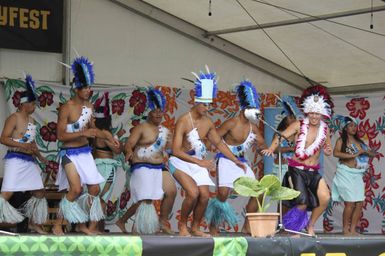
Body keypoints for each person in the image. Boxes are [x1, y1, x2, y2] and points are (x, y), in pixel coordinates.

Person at [168, 66, 246, 237]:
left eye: (209, 104)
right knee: (193, 193)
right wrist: (200, 162)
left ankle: (195, 227)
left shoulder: (208, 122)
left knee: (204, 196)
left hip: (196, 162)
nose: (207, 107)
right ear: (195, 102)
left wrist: (235, 160)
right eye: (204, 104)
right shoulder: (183, 121)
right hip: (180, 161)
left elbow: (219, 143)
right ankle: (182, 225)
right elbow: (175, 150)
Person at [53, 56, 118, 235]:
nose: (89, 91)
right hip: (69, 153)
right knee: (75, 189)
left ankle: (81, 222)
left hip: (85, 153)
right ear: (77, 88)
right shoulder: (67, 108)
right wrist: (83, 133)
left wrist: (109, 137)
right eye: (86, 87)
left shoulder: (89, 106)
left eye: (90, 87)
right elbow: (60, 136)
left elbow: (93, 130)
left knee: (94, 189)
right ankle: (57, 224)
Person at [262, 85, 333, 236]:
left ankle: (310, 225)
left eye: (317, 114)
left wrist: (328, 151)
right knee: (302, 202)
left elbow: (328, 149)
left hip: (314, 172)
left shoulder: (325, 130)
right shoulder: (298, 125)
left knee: (325, 198)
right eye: (312, 113)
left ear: (322, 114)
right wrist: (271, 149)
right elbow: (280, 137)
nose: (314, 116)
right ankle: (290, 229)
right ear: (308, 112)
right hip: (297, 170)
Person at [205, 80, 266, 236]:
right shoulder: (232, 123)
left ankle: (247, 226)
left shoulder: (253, 128)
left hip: (242, 162)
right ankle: (213, 227)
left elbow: (263, 146)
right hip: (225, 160)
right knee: (223, 194)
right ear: (244, 108)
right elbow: (214, 138)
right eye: (250, 108)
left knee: (258, 192)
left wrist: (271, 149)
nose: (253, 110)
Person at [116, 88, 172, 235]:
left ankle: (161, 222)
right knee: (145, 199)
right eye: (156, 111)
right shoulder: (141, 128)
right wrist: (128, 152)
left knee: (167, 192)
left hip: (158, 167)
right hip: (141, 165)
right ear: (149, 111)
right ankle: (138, 230)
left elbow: (171, 149)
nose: (159, 114)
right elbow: (129, 144)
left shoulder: (165, 131)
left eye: (161, 111)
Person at [0, 74, 49, 234]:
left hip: (29, 161)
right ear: (24, 103)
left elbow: (32, 144)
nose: (35, 106)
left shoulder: (32, 122)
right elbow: (3, 138)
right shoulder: (13, 118)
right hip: (15, 159)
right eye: (33, 103)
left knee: (39, 192)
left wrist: (41, 158)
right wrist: (22, 144)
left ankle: (33, 223)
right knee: (7, 193)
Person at [331, 115, 376, 235]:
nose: (353, 128)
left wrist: (367, 152)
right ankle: (345, 230)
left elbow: (372, 154)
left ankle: (353, 230)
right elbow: (335, 153)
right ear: (345, 128)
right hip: (345, 172)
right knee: (350, 202)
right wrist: (354, 154)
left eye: (355, 125)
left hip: (357, 174)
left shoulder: (360, 142)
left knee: (359, 203)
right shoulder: (341, 141)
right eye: (351, 125)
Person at [92, 92, 122, 232]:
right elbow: (117, 151)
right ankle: (94, 228)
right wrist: (117, 140)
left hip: (96, 165)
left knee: (96, 196)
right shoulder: (105, 133)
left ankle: (93, 227)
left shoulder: (92, 132)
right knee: (103, 197)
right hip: (107, 167)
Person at [272, 95, 303, 178]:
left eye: (294, 118)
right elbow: (274, 149)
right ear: (285, 120)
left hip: (293, 167)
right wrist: (291, 149)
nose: (293, 120)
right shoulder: (278, 134)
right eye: (290, 118)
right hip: (280, 167)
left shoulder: (296, 134)